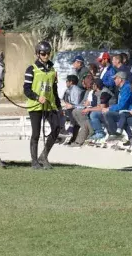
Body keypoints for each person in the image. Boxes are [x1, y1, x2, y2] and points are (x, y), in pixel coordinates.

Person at [23, 41, 63, 170]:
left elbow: (54, 89)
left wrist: (59, 106)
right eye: (43, 53)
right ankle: (34, 161)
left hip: (50, 105)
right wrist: (37, 97)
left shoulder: (52, 70)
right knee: (36, 133)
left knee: (57, 128)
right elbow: (26, 89)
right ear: (37, 54)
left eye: (48, 53)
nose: (46, 56)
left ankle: (43, 156)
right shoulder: (31, 69)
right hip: (35, 106)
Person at [102, 72, 132, 141]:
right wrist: (109, 108)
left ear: (120, 79)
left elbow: (122, 105)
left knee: (108, 113)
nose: (114, 80)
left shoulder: (127, 88)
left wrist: (109, 108)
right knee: (104, 113)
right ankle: (114, 133)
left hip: (129, 111)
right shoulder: (122, 88)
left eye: (115, 78)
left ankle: (115, 134)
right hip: (123, 111)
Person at [61, 75, 84, 144]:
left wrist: (70, 105)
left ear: (71, 82)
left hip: (75, 108)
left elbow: (76, 104)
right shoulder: (68, 90)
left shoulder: (76, 90)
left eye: (67, 81)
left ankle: (70, 131)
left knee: (70, 111)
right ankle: (61, 133)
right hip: (68, 107)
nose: (66, 83)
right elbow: (64, 99)